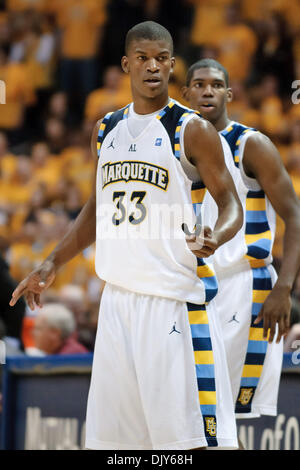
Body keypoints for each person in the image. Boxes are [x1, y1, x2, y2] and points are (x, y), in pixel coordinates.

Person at [10, 22, 243, 450]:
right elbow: (98, 209)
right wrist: (53, 261)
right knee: (117, 446)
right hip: (116, 302)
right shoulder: (107, 129)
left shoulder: (191, 129)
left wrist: (217, 235)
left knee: (190, 442)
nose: (152, 67)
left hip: (173, 303)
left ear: (173, 65)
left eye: (161, 59)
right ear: (126, 65)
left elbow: (231, 204)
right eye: (142, 58)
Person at [182, 59, 300, 429]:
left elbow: (295, 216)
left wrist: (284, 287)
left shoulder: (251, 144)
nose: (207, 91)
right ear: (185, 93)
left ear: (229, 94)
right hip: (193, 286)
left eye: (216, 85)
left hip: (243, 287)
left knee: (222, 417)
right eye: (199, 84)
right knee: (194, 415)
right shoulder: (175, 147)